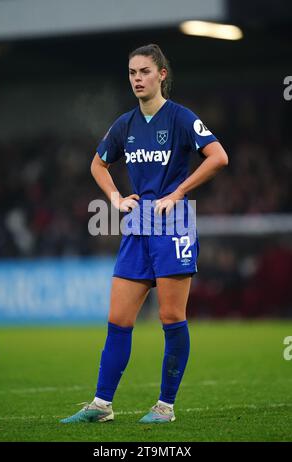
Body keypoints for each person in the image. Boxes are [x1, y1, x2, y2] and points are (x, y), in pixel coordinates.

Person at [60, 43, 228, 424]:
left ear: (162, 75)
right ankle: (101, 405)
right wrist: (116, 198)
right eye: (132, 73)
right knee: (118, 319)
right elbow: (97, 164)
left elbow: (218, 156)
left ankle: (165, 407)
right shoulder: (125, 125)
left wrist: (180, 191)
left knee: (171, 316)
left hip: (174, 225)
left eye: (145, 72)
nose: (137, 78)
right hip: (137, 227)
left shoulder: (182, 118)